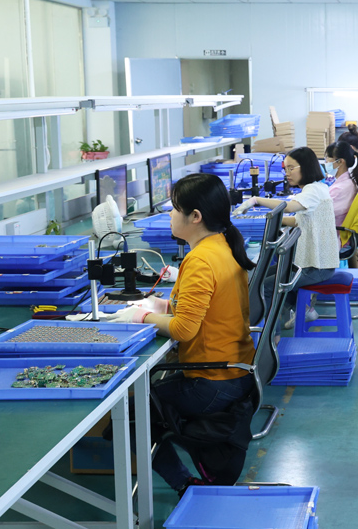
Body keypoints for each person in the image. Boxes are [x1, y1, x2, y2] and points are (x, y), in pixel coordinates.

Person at [107, 173, 256, 496]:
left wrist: (141, 316)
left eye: (175, 209)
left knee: (126, 417)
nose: (170, 215)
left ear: (195, 216)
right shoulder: (222, 246)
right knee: (148, 397)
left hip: (212, 381)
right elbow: (208, 308)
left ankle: (185, 483)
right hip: (235, 371)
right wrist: (163, 305)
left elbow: (184, 330)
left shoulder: (200, 260)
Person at [235, 147, 339, 328]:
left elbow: (289, 207)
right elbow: (298, 221)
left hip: (317, 267)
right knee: (262, 276)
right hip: (312, 263)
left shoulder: (313, 190)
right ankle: (303, 309)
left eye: (291, 168)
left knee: (267, 286)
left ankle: (270, 335)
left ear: (305, 167)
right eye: (286, 168)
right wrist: (264, 219)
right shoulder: (315, 188)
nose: (287, 173)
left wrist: (256, 200)